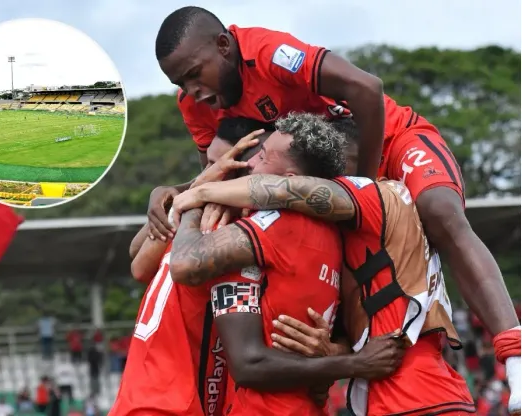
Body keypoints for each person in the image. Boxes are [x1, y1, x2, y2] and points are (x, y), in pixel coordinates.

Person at [150, 11, 521, 400]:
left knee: (441, 212)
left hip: (389, 142)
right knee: (326, 264)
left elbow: (366, 87)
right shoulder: (196, 106)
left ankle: (515, 354)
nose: (192, 91)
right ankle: (348, 363)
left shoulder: (269, 53)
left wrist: (365, 183)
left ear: (224, 46)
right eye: (180, 83)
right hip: (334, 185)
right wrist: (169, 191)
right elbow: (221, 171)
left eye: (195, 74)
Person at [172, 115, 478, 414]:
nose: (250, 164)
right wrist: (336, 355)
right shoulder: (339, 238)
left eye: (262, 156)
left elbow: (186, 265)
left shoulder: (360, 200)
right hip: (394, 394)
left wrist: (196, 194)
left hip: (415, 396)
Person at [108, 123, 265, 416]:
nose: (213, 173)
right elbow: (139, 265)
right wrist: (192, 192)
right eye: (209, 165)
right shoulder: (203, 225)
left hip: (162, 396)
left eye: (224, 166)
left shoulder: (209, 224)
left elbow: (139, 264)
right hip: (166, 400)